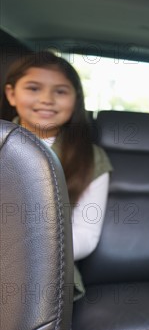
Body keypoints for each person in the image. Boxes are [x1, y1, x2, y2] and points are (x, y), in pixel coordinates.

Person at [1, 51, 112, 299]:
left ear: (75, 99)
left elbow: (86, 233)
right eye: (33, 88)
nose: (47, 99)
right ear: (11, 94)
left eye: (60, 91)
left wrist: (24, 251)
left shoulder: (90, 158)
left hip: (47, 269)